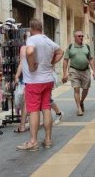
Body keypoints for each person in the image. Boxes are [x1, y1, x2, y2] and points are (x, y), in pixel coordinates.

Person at [16, 19, 64, 151]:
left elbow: (30, 51)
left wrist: (32, 66)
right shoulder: (47, 40)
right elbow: (60, 52)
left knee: (34, 111)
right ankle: (48, 139)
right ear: (41, 28)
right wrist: (51, 63)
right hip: (47, 80)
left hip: (34, 81)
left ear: (31, 29)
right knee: (46, 109)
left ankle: (33, 142)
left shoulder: (32, 39)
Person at [63, 31, 95, 116]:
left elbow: (91, 59)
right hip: (74, 70)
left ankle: (81, 101)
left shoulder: (86, 47)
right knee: (76, 89)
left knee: (86, 89)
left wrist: (94, 70)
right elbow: (66, 60)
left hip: (85, 70)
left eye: (82, 36)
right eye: (79, 36)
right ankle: (79, 109)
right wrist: (65, 74)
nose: (81, 37)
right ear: (74, 37)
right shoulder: (70, 47)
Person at [13, 34, 29, 133]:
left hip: (35, 79)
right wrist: (17, 76)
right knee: (26, 101)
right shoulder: (23, 48)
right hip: (30, 79)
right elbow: (22, 62)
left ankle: (23, 125)